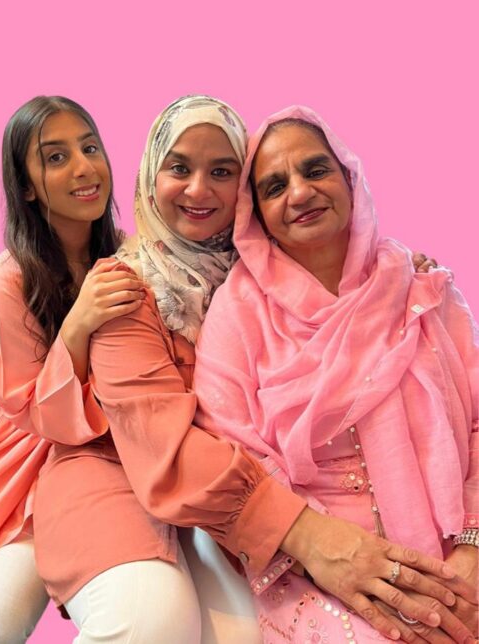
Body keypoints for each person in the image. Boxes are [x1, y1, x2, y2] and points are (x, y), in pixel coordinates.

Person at [35, 95, 464, 644]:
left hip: (229, 504)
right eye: (179, 167)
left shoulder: (307, 267)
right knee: (153, 623)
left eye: (222, 172)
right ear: (150, 173)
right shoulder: (129, 291)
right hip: (129, 478)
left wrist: (410, 285)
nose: (199, 190)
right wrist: (310, 539)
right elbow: (170, 447)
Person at [191, 105, 479, 643]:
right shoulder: (238, 315)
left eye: (315, 170)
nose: (300, 193)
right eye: (275, 186)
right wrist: (328, 556)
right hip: (318, 568)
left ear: (349, 177)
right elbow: (232, 454)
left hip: (456, 548)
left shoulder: (421, 290)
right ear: (256, 212)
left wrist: (473, 550)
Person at [0, 95, 145, 643]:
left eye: (90, 147)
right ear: (26, 185)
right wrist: (77, 324)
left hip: (74, 460)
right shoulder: (5, 282)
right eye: (55, 157)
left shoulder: (128, 258)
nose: (84, 167)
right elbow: (25, 405)